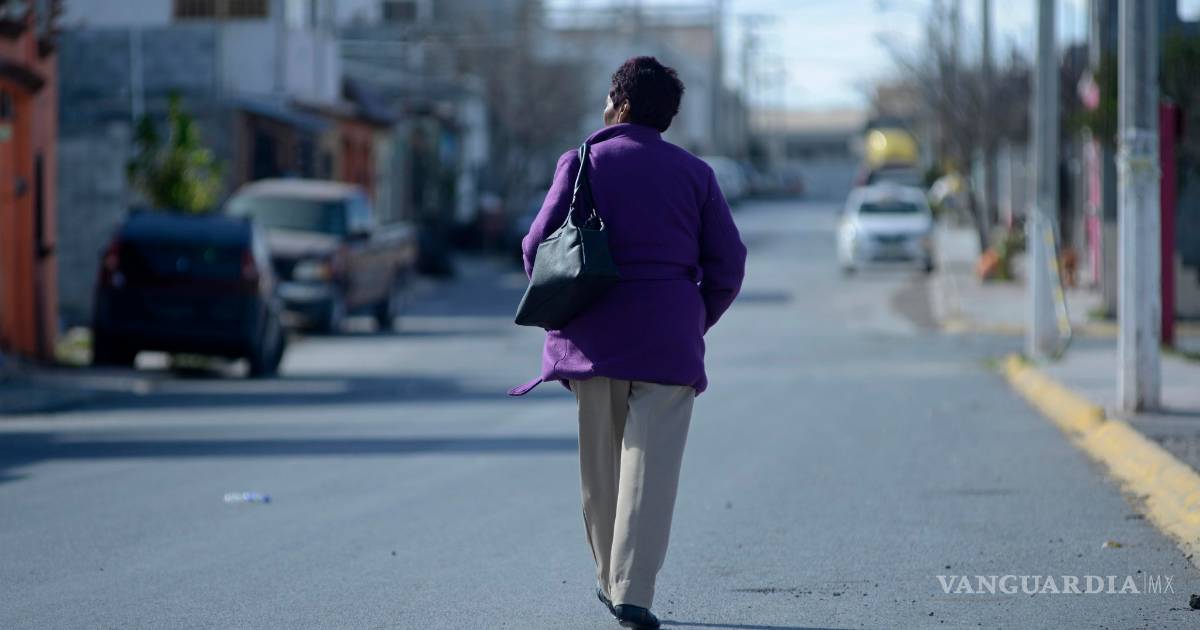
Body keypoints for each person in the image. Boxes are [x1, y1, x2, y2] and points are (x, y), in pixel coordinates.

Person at [509, 56, 747, 629]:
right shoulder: (696, 174)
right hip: (669, 338)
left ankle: (608, 579)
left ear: (619, 103)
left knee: (602, 470)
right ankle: (633, 591)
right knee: (651, 468)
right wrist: (694, 317)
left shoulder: (582, 162)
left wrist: (566, 299)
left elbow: (536, 247)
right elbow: (729, 264)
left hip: (594, 339)